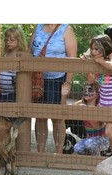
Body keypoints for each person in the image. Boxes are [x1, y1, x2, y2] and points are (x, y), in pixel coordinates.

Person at [28, 24, 77, 153]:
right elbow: (30, 52)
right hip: (38, 80)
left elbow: (73, 58)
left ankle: (59, 152)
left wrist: (67, 82)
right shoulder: (38, 28)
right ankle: (40, 152)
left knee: (57, 116)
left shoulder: (66, 30)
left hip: (58, 79)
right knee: (40, 116)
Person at [82, 34, 112, 154]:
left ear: (105, 47)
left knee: (108, 131)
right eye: (92, 49)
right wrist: (88, 64)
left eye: (97, 48)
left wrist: (100, 61)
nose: (94, 51)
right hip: (105, 102)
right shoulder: (96, 61)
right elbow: (91, 80)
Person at [70, 81, 110, 156]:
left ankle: (96, 162)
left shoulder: (100, 106)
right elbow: (72, 106)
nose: (87, 92)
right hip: (89, 139)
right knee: (77, 148)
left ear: (97, 94)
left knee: (90, 144)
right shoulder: (83, 105)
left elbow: (97, 126)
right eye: (85, 90)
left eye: (90, 90)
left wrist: (86, 111)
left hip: (103, 140)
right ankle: (89, 160)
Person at [0, 26, 27, 102]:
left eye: (12, 40)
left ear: (19, 41)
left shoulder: (20, 55)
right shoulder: (5, 54)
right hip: (3, 92)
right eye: (7, 40)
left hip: (13, 94)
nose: (8, 42)